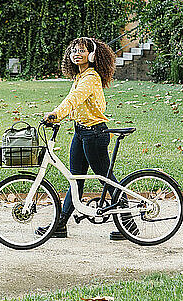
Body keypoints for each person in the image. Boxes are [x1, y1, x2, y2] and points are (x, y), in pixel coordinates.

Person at [35, 36, 126, 241]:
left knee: (106, 178)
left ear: (92, 55)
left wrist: (56, 114)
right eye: (74, 50)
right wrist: (57, 116)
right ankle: (60, 225)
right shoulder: (79, 76)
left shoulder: (91, 77)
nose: (77, 53)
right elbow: (70, 101)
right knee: (75, 178)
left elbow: (74, 100)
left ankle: (127, 223)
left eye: (82, 50)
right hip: (80, 132)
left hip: (94, 134)